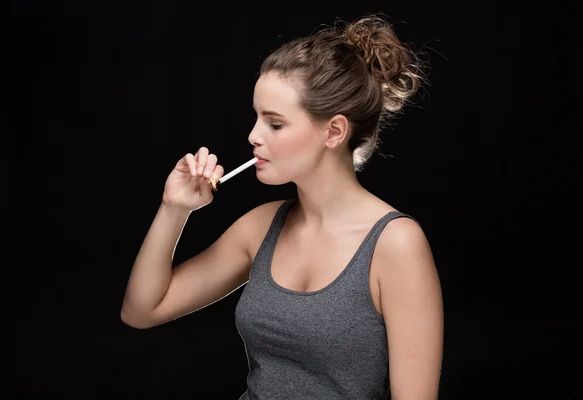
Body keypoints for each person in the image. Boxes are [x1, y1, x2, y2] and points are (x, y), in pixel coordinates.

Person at [121, 14, 443, 400]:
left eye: (274, 124)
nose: (253, 136)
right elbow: (142, 311)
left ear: (334, 132)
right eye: (257, 118)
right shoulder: (261, 226)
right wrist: (174, 209)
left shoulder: (396, 244)